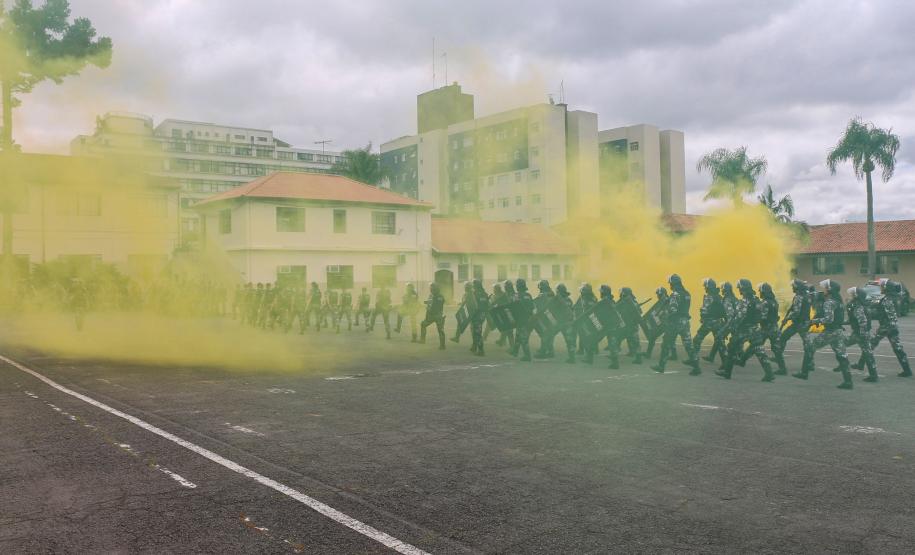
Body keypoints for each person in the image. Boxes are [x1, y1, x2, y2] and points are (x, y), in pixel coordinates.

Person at [793, 279, 852, 389]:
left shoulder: (829, 302)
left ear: (829, 290)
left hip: (830, 332)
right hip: (838, 331)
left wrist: (813, 321)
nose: (823, 290)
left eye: (825, 288)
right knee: (842, 356)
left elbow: (828, 319)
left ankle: (804, 373)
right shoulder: (839, 302)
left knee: (810, 347)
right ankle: (848, 382)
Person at [717, 278, 775, 382]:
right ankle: (769, 373)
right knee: (759, 350)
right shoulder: (756, 300)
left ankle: (727, 372)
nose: (739, 290)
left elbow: (738, 318)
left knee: (731, 348)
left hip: (743, 330)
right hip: (755, 329)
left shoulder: (745, 301)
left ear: (742, 289)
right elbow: (761, 316)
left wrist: (726, 330)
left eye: (739, 288)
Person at [858, 280, 911, 377]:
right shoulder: (894, 298)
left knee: (870, 344)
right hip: (893, 326)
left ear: (887, 288)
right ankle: (907, 370)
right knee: (898, 348)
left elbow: (885, 313)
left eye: (882, 287)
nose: (881, 288)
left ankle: (861, 365)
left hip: (886, 326)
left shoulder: (886, 299)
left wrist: (871, 312)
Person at [652, 274, 699, 375]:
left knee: (666, 343)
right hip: (685, 322)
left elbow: (673, 310)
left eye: (670, 284)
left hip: (675, 323)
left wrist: (665, 315)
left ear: (673, 284)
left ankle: (661, 366)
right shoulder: (687, 293)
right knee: (688, 344)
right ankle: (697, 367)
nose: (670, 286)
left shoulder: (675, 294)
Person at [845, 286, 878, 382]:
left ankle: (873, 376)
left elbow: (863, 322)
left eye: (852, 294)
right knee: (868, 353)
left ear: (856, 296)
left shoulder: (858, 307)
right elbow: (852, 320)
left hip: (860, 334)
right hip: (860, 333)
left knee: (867, 354)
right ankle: (872, 374)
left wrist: (863, 335)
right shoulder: (859, 305)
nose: (850, 296)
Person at [693, 278, 726, 363]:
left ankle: (693, 359)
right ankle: (726, 362)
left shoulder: (709, 297)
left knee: (697, 339)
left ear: (708, 287)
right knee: (720, 343)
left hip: (709, 322)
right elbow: (723, 311)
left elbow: (705, 310)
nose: (705, 288)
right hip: (718, 322)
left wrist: (702, 317)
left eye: (705, 287)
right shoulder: (719, 297)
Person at [758, 283, 788, 375]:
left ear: (763, 291)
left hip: (766, 328)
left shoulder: (765, 302)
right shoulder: (774, 301)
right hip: (774, 327)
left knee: (757, 345)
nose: (759, 293)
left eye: (760, 291)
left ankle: (741, 359)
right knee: (776, 349)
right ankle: (783, 369)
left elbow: (763, 317)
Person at [644, 287, 677, 361]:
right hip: (662, 324)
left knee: (669, 339)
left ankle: (674, 355)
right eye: (658, 295)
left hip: (667, 323)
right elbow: (656, 312)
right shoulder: (661, 302)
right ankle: (648, 353)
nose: (658, 296)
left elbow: (667, 312)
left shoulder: (668, 301)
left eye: (659, 294)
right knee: (653, 337)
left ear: (663, 294)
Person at [780, 279, 811, 351]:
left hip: (798, 323)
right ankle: (809, 357)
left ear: (797, 287)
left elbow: (796, 312)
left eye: (793, 287)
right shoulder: (807, 296)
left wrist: (787, 319)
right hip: (806, 322)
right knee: (807, 342)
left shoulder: (798, 297)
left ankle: (779, 355)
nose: (792, 288)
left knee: (783, 337)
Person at [615, 287, 643, 364]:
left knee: (619, 339)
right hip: (632, 325)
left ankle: (614, 356)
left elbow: (616, 308)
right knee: (633, 340)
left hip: (628, 325)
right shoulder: (632, 301)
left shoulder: (625, 301)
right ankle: (633, 353)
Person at [573, 283, 599, 364]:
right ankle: (589, 350)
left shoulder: (585, 298)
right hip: (592, 319)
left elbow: (582, 309)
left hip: (586, 320)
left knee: (585, 336)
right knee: (589, 335)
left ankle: (589, 357)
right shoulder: (593, 298)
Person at [598, 285, 622, 369]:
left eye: (601, 291)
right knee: (612, 342)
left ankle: (615, 363)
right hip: (612, 325)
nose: (600, 293)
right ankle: (614, 360)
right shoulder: (611, 301)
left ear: (603, 292)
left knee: (612, 343)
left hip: (611, 325)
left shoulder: (606, 301)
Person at [511, 278, 535, 362]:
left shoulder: (515, 296)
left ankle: (527, 356)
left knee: (523, 338)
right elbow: (532, 307)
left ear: (518, 286)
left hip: (520, 319)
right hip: (528, 319)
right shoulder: (528, 295)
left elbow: (512, 307)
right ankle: (515, 351)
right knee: (518, 335)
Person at [419, 283, 446, 349]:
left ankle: (442, 345)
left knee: (440, 330)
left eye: (433, 288)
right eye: (431, 288)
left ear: (436, 289)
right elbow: (430, 303)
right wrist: (427, 302)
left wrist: (431, 303)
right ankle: (422, 340)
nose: (431, 290)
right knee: (423, 324)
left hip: (438, 315)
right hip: (430, 315)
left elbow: (438, 305)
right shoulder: (431, 295)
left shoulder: (440, 296)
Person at [533, 280, 556, 359]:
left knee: (544, 334)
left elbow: (535, 302)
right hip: (552, 317)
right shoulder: (552, 293)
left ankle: (543, 352)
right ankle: (550, 351)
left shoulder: (543, 295)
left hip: (546, 317)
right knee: (550, 334)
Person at [555, 283, 577, 363]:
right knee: (570, 340)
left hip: (562, 323)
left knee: (549, 335)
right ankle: (572, 357)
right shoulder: (569, 300)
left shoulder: (557, 300)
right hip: (569, 322)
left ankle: (572, 358)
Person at [470, 279, 490, 356]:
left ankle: (481, 351)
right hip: (482, 315)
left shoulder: (474, 294)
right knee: (475, 331)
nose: (473, 286)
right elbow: (487, 305)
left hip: (476, 316)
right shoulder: (484, 294)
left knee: (477, 333)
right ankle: (474, 346)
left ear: (476, 285)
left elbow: (473, 305)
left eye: (474, 285)